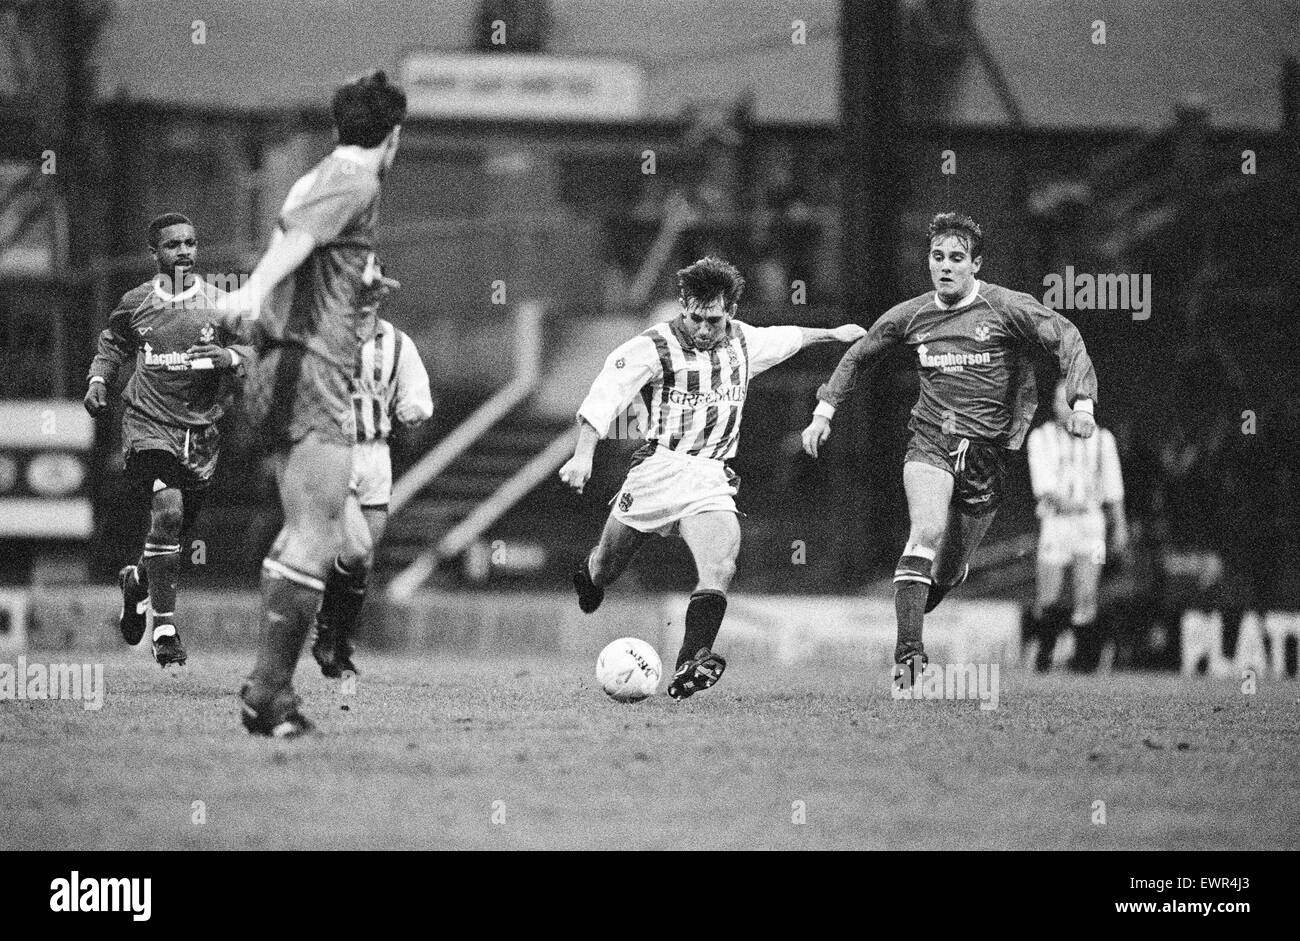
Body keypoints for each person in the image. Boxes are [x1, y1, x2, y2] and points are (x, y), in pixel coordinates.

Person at [801, 212, 1099, 683]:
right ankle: (910, 654)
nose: (945, 266)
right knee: (925, 530)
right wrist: (823, 413)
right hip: (931, 441)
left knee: (949, 568)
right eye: (937, 257)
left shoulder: (1007, 308)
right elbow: (860, 354)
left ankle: (931, 589)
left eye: (956, 258)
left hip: (988, 454)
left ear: (976, 264)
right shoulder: (913, 314)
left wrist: (1082, 403)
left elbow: (1067, 337)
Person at [559, 255, 865, 699]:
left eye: (714, 321)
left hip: (709, 477)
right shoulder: (652, 346)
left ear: (732, 312)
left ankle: (691, 661)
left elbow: (792, 337)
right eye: (695, 319)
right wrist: (583, 455)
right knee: (606, 567)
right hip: (657, 469)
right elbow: (604, 396)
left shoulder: (746, 341)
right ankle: (589, 577)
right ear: (683, 307)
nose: (704, 330)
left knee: (720, 565)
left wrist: (835, 334)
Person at [222, 70, 406, 736]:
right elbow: (293, 245)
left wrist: (357, 281)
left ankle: (286, 668)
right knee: (315, 534)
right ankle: (269, 693)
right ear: (393, 135)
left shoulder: (319, 174)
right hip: (311, 369)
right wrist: (251, 291)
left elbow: (306, 245)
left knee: (349, 539)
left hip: (285, 364)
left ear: (337, 127)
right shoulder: (355, 179)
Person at [85, 213, 251, 667]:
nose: (184, 251)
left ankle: (137, 581)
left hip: (199, 435)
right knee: (169, 510)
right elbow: (113, 342)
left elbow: (256, 350)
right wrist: (98, 380)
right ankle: (164, 628)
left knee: (171, 529)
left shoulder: (219, 304)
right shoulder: (137, 301)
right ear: (154, 253)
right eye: (173, 244)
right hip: (146, 426)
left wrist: (229, 355)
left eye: (190, 243)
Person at [311, 267, 433, 678]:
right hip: (335, 450)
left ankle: (339, 643)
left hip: (377, 455)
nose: (370, 297)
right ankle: (326, 631)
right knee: (356, 548)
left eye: (376, 290)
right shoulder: (325, 336)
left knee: (363, 560)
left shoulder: (397, 343)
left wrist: (413, 409)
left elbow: (417, 393)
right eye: (363, 289)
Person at [1025, 379, 1128, 671]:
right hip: (1056, 525)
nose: (1068, 408)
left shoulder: (1103, 439)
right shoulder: (1040, 438)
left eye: (1074, 402)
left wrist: (1119, 525)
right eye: (1062, 401)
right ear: (1054, 405)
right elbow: (1044, 488)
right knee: (1049, 595)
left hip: (1091, 528)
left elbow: (1113, 488)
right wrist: (1075, 504)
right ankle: (1044, 655)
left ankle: (1083, 661)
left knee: (1087, 594)